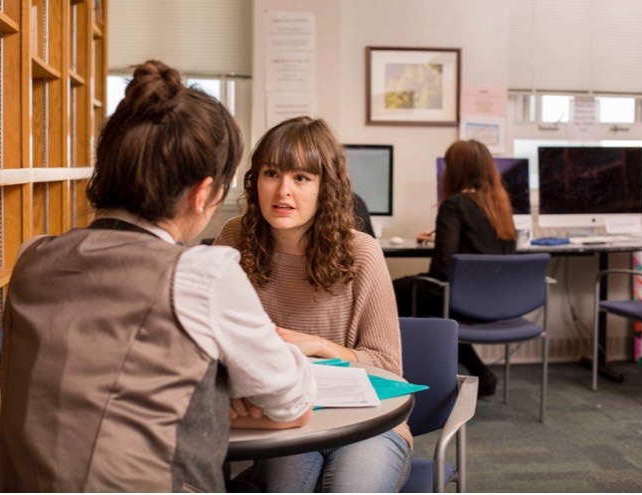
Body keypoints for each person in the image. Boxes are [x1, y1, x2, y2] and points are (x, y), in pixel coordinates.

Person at [0, 60, 316, 493]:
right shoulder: (200, 275)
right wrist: (229, 394)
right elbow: (292, 402)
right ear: (202, 193)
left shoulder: (33, 257)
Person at [214, 116, 411, 493]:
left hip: (365, 422)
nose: (283, 191)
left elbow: (389, 366)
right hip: (284, 420)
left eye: (301, 178)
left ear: (326, 187)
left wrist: (321, 346)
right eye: (272, 173)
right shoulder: (235, 238)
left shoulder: (361, 252)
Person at [393, 139, 518, 397]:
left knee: (393, 291)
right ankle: (480, 374)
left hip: (461, 299)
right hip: (499, 301)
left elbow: (441, 269)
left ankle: (407, 377)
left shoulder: (454, 205)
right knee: (435, 300)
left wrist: (441, 241)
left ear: (455, 171)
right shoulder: (500, 205)